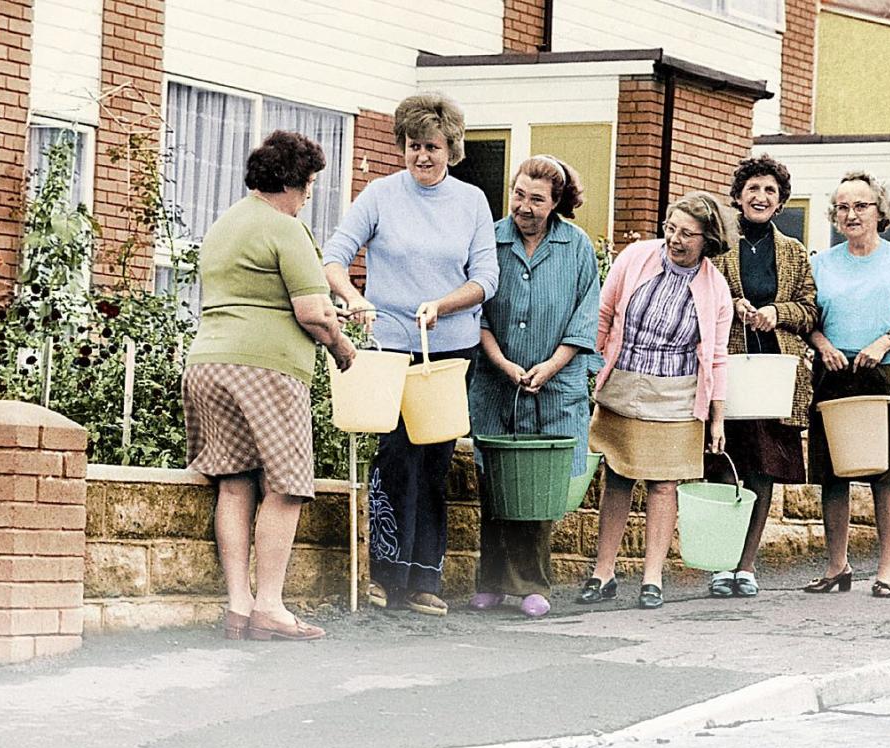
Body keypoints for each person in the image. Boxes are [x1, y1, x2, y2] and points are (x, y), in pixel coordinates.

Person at [322, 93, 498, 617]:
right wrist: (353, 297)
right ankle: (385, 574)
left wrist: (442, 306)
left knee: (435, 461)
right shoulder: (379, 194)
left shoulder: (471, 202)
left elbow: (485, 279)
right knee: (395, 456)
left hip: (448, 350)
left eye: (434, 147)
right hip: (392, 346)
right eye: (414, 145)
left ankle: (425, 578)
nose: (422, 156)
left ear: (452, 150)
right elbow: (334, 256)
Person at [183, 130, 358, 641]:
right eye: (308, 186)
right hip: (266, 369)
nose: (308, 196)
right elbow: (311, 312)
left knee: (235, 482)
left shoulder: (224, 225)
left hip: (209, 363)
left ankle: (238, 606)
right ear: (291, 183)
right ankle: (272, 607)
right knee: (286, 486)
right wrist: (343, 349)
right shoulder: (286, 228)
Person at [577, 192, 734, 610]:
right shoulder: (636, 257)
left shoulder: (716, 288)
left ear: (708, 240)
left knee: (664, 484)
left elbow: (717, 356)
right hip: (625, 382)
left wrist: (716, 418)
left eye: (687, 233)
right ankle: (603, 572)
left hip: (678, 392)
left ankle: (652, 579)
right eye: (671, 228)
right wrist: (589, 370)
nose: (675, 239)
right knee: (618, 476)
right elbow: (604, 313)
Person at [467, 155, 599, 618]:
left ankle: (532, 585)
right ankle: (491, 581)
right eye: (518, 194)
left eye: (536, 199)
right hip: (496, 382)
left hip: (554, 387)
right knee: (496, 483)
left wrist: (551, 365)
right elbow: (477, 309)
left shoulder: (577, 245)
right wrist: (502, 362)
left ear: (557, 202)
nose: (523, 206)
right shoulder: (490, 239)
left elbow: (586, 317)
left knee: (537, 488)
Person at [806, 171, 890, 599]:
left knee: (886, 473)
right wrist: (823, 346)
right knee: (833, 475)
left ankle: (888, 567)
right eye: (843, 207)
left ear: (880, 211)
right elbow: (808, 322)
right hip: (835, 372)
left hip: (887, 370)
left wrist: (885, 341)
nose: (851, 214)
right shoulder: (820, 263)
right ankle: (837, 566)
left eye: (860, 206)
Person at [707, 154, 818, 598]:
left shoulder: (793, 251)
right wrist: (730, 302)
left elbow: (810, 310)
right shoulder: (718, 245)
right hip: (727, 372)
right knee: (723, 466)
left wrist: (777, 312)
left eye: (770, 190)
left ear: (780, 201)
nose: (761, 196)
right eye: (753, 188)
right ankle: (720, 563)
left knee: (763, 471)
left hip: (775, 377)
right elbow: (702, 292)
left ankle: (747, 565)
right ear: (738, 196)